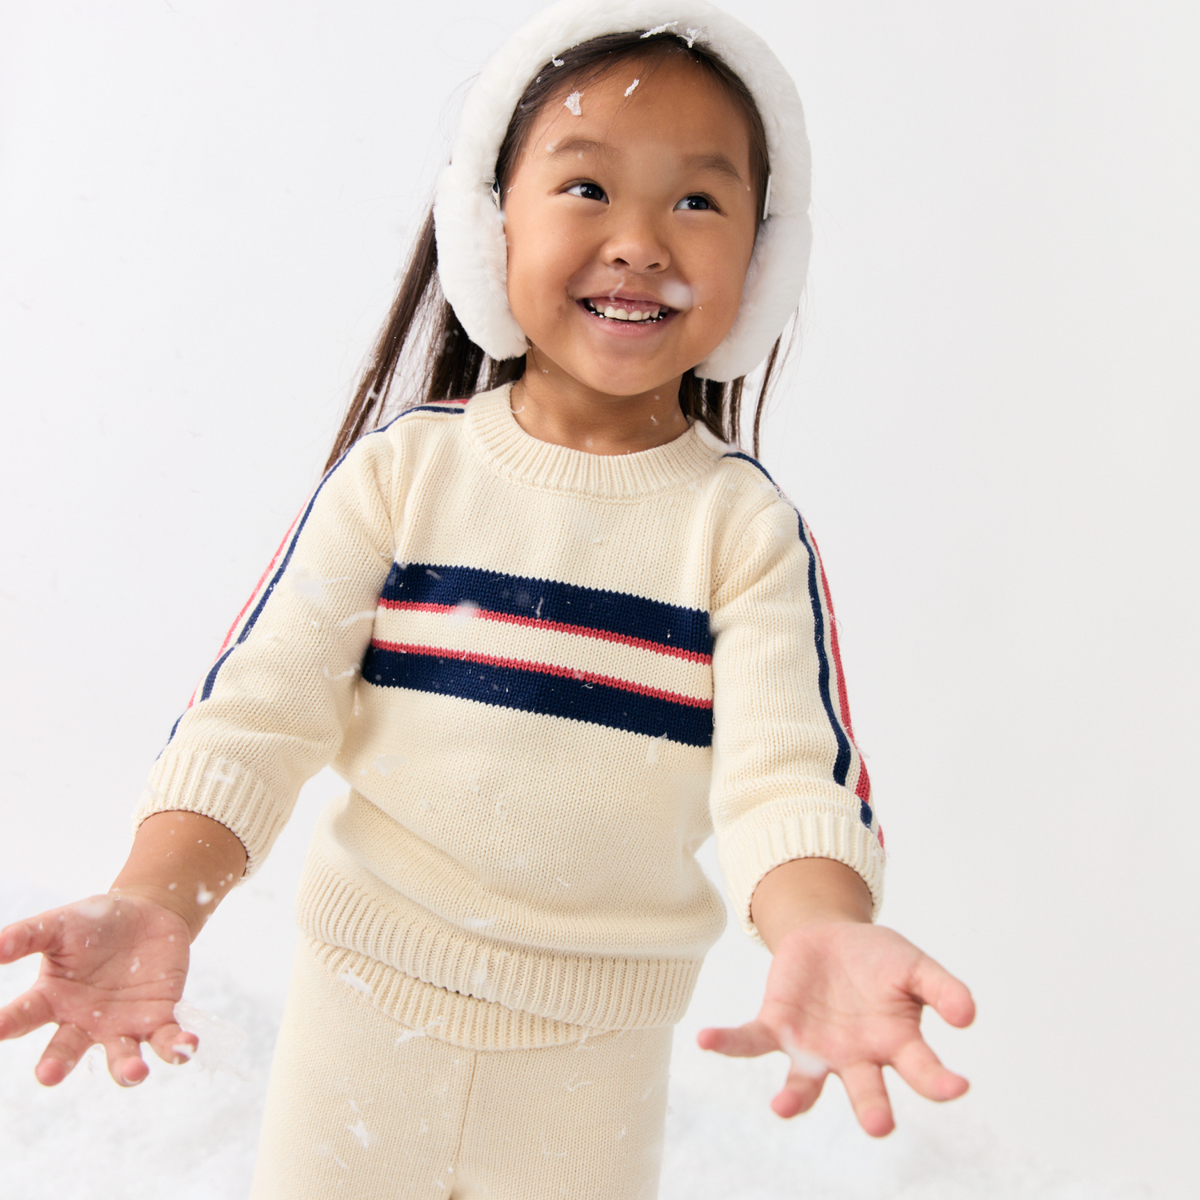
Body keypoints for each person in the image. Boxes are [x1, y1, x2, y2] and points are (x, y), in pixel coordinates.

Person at [0, 2, 975, 1196]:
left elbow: (789, 779)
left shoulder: (743, 533)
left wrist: (822, 922)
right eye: (586, 189)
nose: (640, 242)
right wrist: (158, 901)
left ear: (762, 265)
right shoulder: (404, 476)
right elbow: (253, 718)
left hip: (593, 1055)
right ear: (486, 225)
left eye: (698, 201)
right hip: (365, 1012)